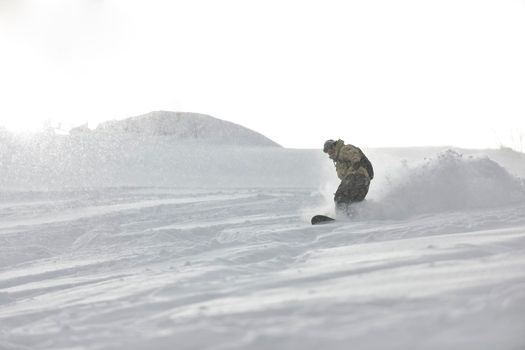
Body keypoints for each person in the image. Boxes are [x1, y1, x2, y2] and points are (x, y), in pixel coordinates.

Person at [323, 139, 374, 215]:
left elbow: (354, 154)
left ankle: (342, 215)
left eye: (330, 149)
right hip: (364, 182)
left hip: (356, 176)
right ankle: (356, 216)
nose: (330, 153)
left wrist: (355, 162)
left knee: (339, 197)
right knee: (354, 201)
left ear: (334, 146)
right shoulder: (339, 163)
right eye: (328, 152)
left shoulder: (344, 149)